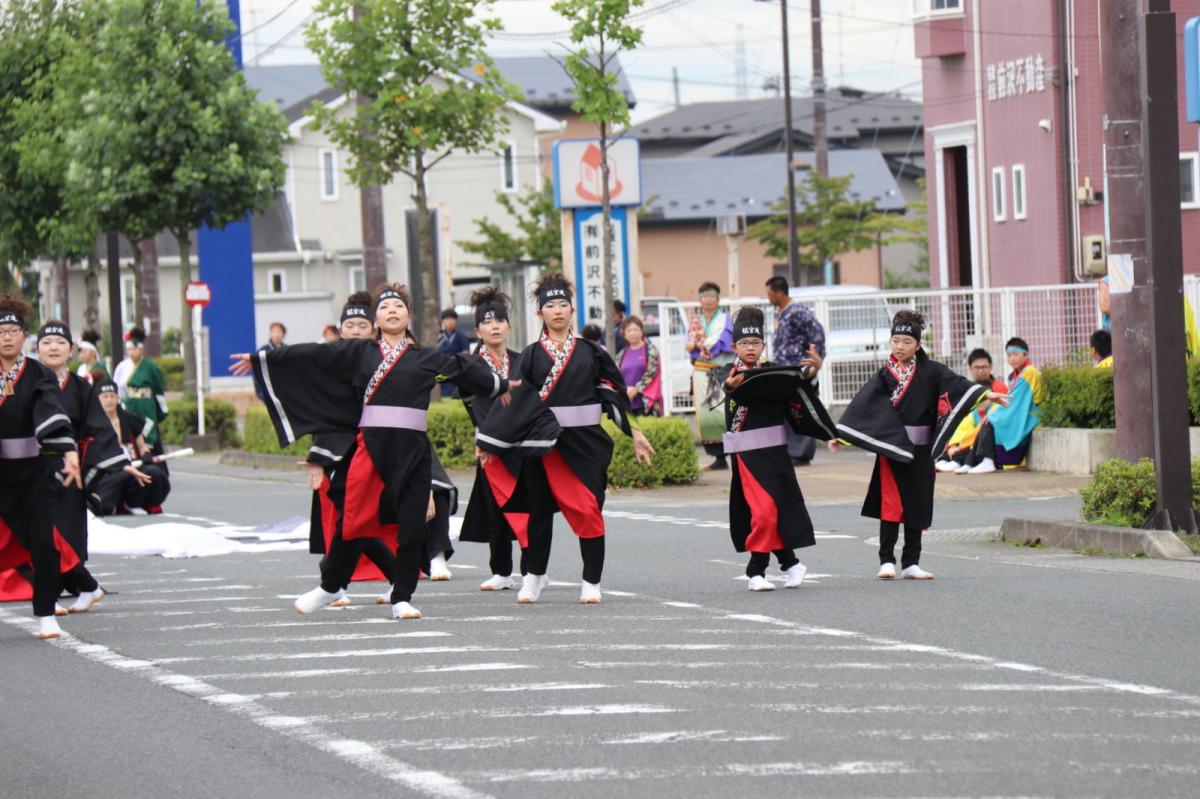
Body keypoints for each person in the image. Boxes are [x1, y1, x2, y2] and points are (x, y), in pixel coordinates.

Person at [231, 283, 508, 621]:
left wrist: (501, 384)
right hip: (371, 447)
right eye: (385, 307)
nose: (392, 311)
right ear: (376, 317)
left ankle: (401, 596)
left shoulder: (425, 356)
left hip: (413, 451)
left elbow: (463, 369)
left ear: (409, 315)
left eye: (399, 306)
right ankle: (331, 584)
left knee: (410, 530)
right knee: (352, 520)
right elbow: (312, 356)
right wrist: (263, 359)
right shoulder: (359, 353)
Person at [476, 272, 655, 605]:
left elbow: (612, 395)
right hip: (543, 446)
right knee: (539, 513)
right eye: (550, 305)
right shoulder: (529, 356)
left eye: (563, 304)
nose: (557, 310)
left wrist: (635, 432)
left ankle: (591, 580)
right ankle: (534, 576)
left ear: (572, 311)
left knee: (588, 509)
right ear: (540, 313)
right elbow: (512, 402)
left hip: (584, 444)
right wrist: (489, 442)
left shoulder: (591, 352)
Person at [832, 310, 1008, 580]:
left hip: (922, 449)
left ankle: (912, 562)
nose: (900, 347)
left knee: (917, 504)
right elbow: (862, 408)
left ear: (917, 344)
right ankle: (886, 560)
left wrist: (987, 393)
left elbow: (959, 385)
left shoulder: (932, 372)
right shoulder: (885, 376)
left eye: (906, 341)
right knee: (891, 505)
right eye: (896, 341)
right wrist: (840, 435)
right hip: (893, 450)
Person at [721, 308, 836, 592]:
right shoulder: (730, 372)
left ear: (763, 345)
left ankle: (790, 564)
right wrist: (729, 387)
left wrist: (813, 373)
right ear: (735, 346)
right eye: (744, 344)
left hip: (775, 452)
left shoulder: (774, 371)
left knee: (777, 510)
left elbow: (799, 391)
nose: (750, 348)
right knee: (764, 512)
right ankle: (757, 571)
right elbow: (726, 389)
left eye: (756, 343)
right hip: (747, 454)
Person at [301, 293, 394, 608]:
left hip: (372, 450)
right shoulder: (329, 363)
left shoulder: (385, 360)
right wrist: (317, 457)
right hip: (335, 451)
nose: (356, 331)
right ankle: (384, 578)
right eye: (350, 325)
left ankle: (334, 582)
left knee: (353, 519)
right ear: (340, 330)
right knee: (350, 519)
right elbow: (317, 410)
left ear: (374, 330)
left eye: (362, 325)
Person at [0, 291, 83, 639]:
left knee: (43, 542)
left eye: (13, 332)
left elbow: (50, 411)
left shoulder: (38, 374)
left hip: (36, 470)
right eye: (0, 332)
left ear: (24, 336)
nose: (6, 337)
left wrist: (69, 451)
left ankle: (47, 613)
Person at [35, 321, 131, 613]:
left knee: (58, 533)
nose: (53, 347)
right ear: (37, 349)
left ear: (71, 350)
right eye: (47, 342)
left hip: (69, 468)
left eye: (60, 342)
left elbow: (97, 431)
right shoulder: (28, 382)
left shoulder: (80, 388)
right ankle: (84, 587)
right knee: (37, 532)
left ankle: (59, 594)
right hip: (32, 467)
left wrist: (116, 464)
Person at [458, 287, 528, 592]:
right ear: (478, 330)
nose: (495, 327)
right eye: (488, 322)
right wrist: (486, 437)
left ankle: (532, 569)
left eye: (501, 321)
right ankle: (501, 571)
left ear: (509, 326)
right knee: (495, 509)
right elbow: (470, 403)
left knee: (528, 507)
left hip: (523, 446)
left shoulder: (522, 360)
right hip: (489, 446)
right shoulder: (470, 364)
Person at [765, 276, 827, 465]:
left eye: (769, 293)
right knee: (789, 411)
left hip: (799, 369)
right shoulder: (781, 313)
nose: (768, 297)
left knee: (802, 410)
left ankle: (801, 454)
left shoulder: (797, 311)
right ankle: (792, 452)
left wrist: (815, 360)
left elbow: (816, 331)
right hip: (784, 370)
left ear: (778, 292)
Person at [89, 376, 172, 515]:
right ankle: (111, 505)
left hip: (133, 466)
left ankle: (142, 503)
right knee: (112, 485)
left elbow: (142, 446)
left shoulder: (128, 418)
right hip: (107, 471)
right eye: (105, 397)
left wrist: (146, 455)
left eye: (112, 396)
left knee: (154, 473)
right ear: (98, 399)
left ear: (118, 398)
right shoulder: (92, 423)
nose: (109, 400)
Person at [963, 337, 1046, 473]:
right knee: (988, 421)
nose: (1012, 358)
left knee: (991, 421)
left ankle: (987, 461)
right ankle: (970, 461)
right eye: (1009, 355)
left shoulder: (1029, 372)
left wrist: (995, 415)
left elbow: (1018, 400)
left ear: (1025, 355)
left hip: (1030, 415)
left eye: (1015, 354)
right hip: (1020, 412)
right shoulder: (1013, 376)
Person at [935, 349, 1008, 474]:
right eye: (976, 367)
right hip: (971, 428)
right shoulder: (968, 389)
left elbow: (998, 413)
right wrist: (954, 444)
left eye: (984, 367)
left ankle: (959, 459)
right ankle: (948, 457)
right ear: (970, 368)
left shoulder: (999, 387)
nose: (980, 370)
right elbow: (963, 419)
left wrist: (960, 445)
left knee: (982, 430)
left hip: (989, 428)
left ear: (990, 367)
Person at [687, 281, 735, 470]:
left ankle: (732, 454)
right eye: (704, 296)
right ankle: (718, 457)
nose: (708, 300)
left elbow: (724, 340)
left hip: (721, 371)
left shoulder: (725, 319)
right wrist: (694, 346)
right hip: (701, 371)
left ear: (718, 299)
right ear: (700, 300)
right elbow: (689, 345)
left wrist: (702, 344)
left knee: (724, 414)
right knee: (707, 415)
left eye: (711, 296)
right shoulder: (695, 322)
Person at [118, 326, 168, 454]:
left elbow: (158, 389)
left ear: (141, 349)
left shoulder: (150, 367)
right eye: (128, 349)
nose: (131, 352)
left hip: (146, 406)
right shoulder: (123, 366)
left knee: (147, 433)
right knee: (130, 437)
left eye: (134, 349)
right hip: (129, 405)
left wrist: (161, 411)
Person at [618, 316, 662, 416]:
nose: (632, 333)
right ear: (624, 334)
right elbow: (617, 375)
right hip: (626, 402)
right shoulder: (621, 354)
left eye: (635, 330)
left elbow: (651, 374)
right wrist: (624, 390)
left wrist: (635, 390)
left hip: (645, 403)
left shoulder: (651, 351)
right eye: (629, 330)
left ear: (641, 332)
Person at [437, 308, 470, 398]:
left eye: (452, 319)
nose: (450, 321)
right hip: (441, 370)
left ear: (456, 321)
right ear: (442, 321)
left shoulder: (461, 336)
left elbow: (465, 352)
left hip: (456, 371)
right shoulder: (438, 336)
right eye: (447, 319)